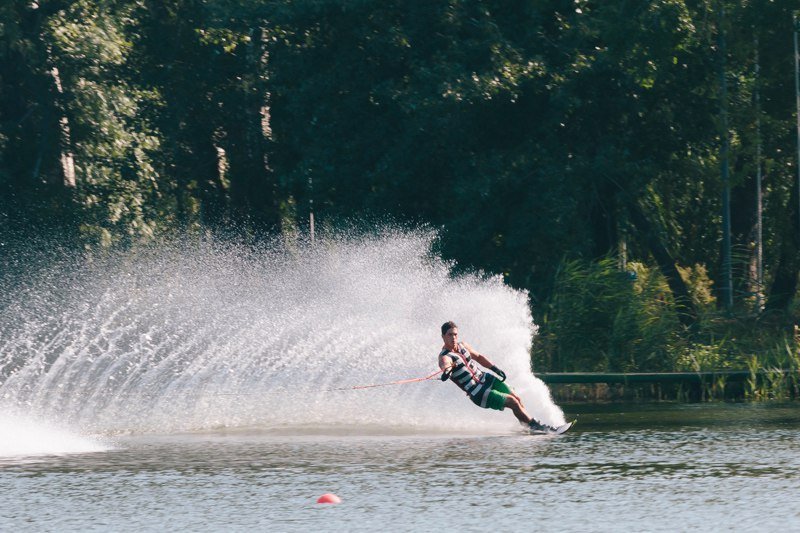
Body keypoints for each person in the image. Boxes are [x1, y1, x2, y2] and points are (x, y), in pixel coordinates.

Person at [438, 321, 554, 431]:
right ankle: (536, 427)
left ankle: (527, 426)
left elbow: (478, 357)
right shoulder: (445, 356)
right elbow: (445, 365)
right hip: (477, 392)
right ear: (443, 336)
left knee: (517, 398)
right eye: (449, 335)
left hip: (486, 378)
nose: (453, 337)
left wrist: (495, 369)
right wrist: (447, 371)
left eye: (455, 334)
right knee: (512, 402)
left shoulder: (463, 345)